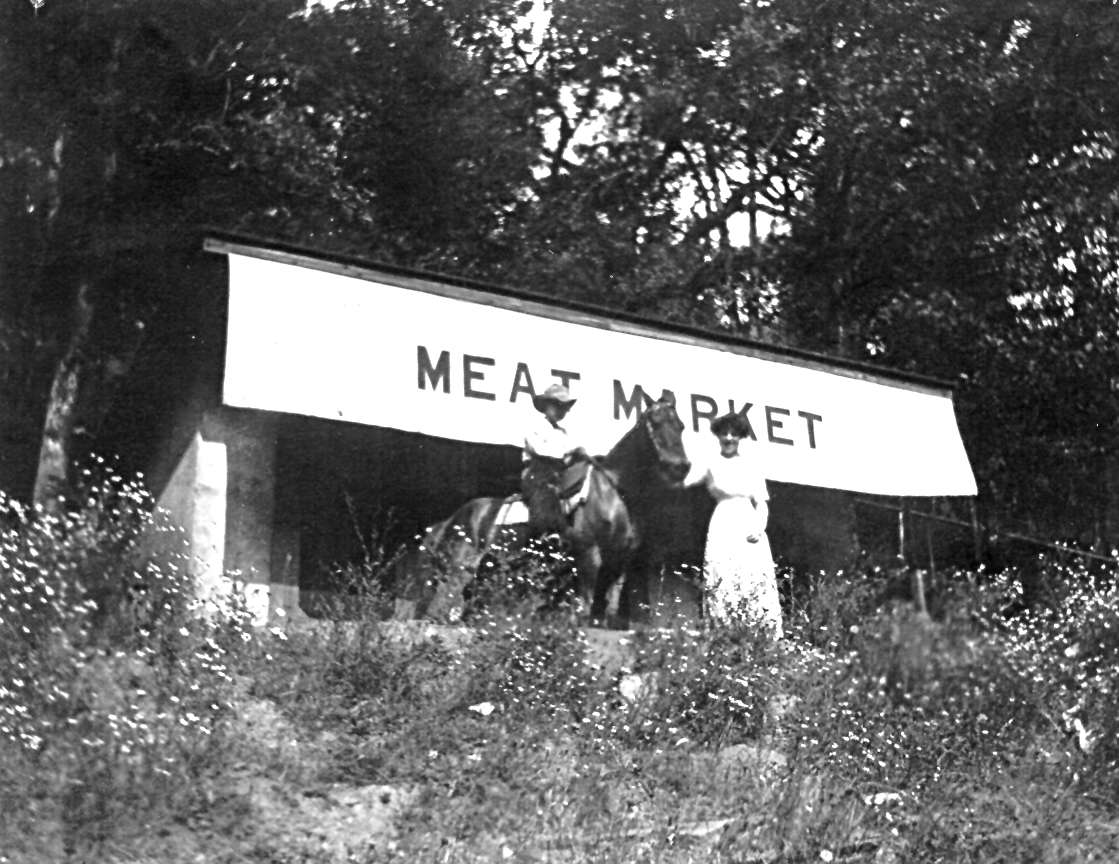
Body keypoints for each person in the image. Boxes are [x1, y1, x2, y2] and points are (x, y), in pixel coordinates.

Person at [685, 410, 782, 637]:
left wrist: (759, 528)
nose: (729, 438)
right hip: (722, 522)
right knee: (722, 574)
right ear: (718, 436)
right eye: (724, 434)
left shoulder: (751, 465)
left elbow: (761, 503)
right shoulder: (709, 463)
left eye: (734, 434)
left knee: (751, 575)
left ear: (741, 437)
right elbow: (684, 482)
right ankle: (724, 633)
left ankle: (759, 635)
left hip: (747, 522)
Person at [521, 383, 589, 538]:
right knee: (545, 493)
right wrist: (570, 451)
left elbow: (566, 457)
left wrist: (578, 455)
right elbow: (539, 449)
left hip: (558, 475)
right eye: (557, 406)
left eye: (564, 407)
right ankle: (546, 534)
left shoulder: (562, 433)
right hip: (537, 473)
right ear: (546, 406)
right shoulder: (535, 426)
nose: (561, 411)